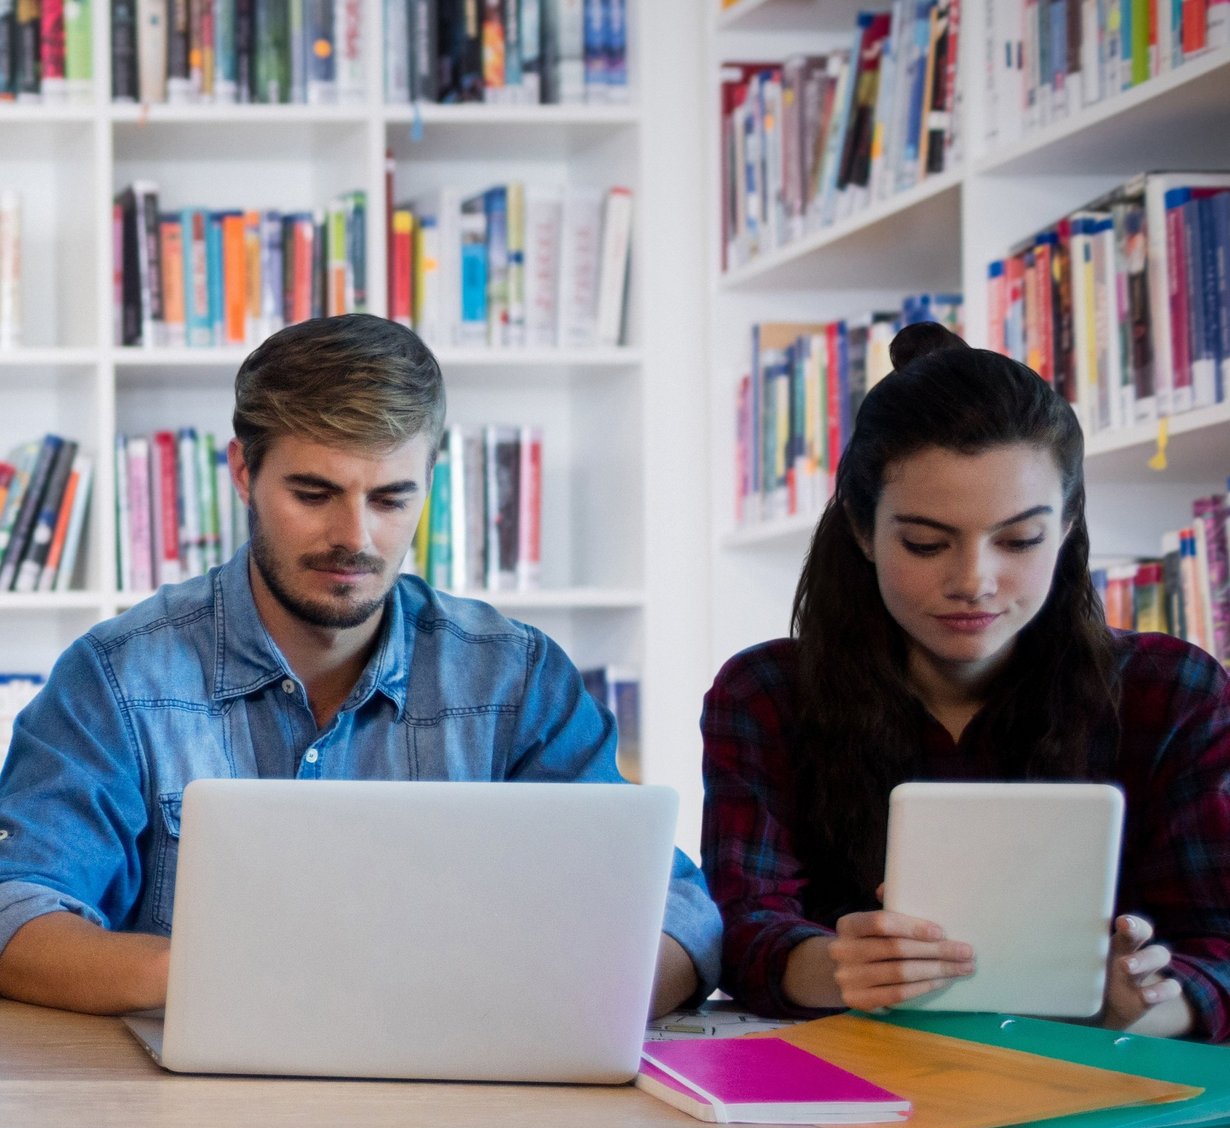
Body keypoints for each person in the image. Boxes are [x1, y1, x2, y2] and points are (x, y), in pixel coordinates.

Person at [0, 314, 720, 1020]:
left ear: (429, 482)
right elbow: (15, 909)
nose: (355, 537)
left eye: (390, 498)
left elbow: (679, 909)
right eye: (313, 494)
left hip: (466, 1096)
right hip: (191, 1110)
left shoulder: (515, 679)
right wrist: (212, 977)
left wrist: (571, 1008)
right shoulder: (118, 677)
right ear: (244, 472)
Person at [701, 321, 1230, 1041]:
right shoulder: (766, 693)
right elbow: (738, 925)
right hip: (850, 1096)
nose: (973, 582)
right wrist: (833, 966)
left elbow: (1218, 939)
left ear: (1070, 523)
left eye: (1019, 540)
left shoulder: (1172, 692)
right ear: (861, 527)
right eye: (925, 543)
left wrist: (1151, 1003)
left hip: (1098, 1089)